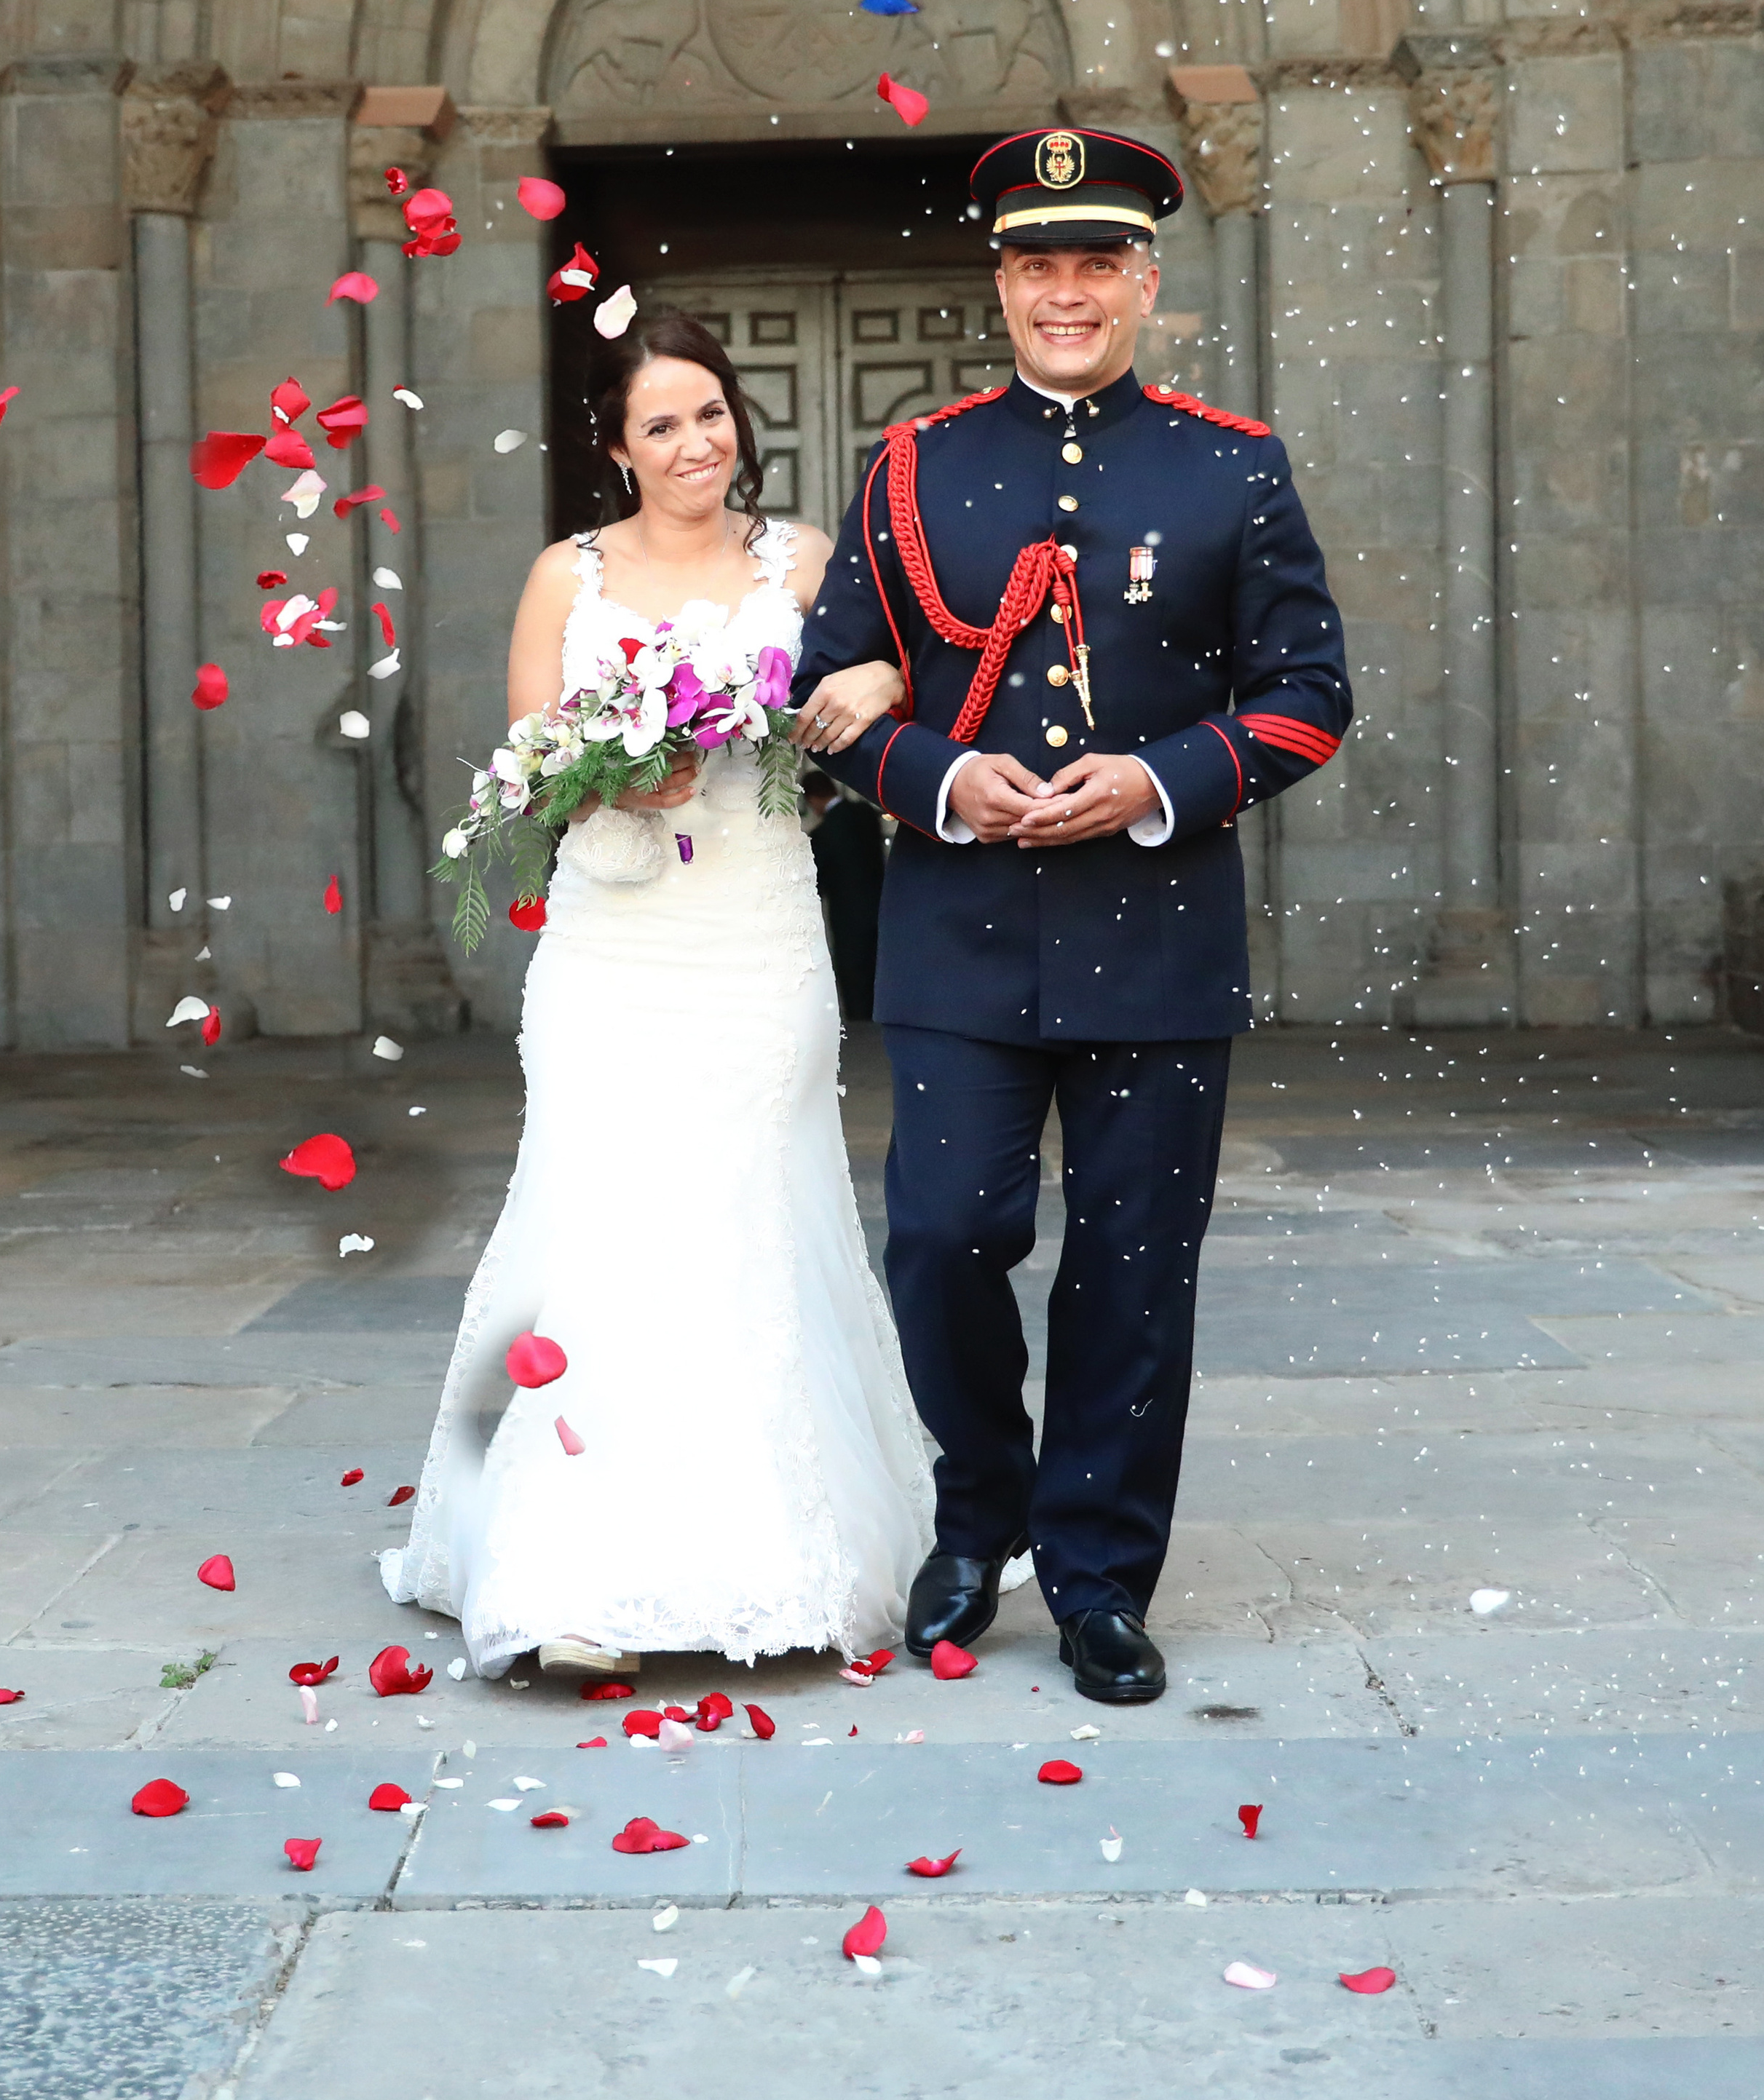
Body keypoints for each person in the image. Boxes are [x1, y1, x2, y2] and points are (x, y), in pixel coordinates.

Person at [794, 125, 1352, 1705]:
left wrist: (1160, 778)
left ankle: (1099, 1576)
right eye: (1038, 264)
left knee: (1133, 1268)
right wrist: (940, 779)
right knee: (944, 1236)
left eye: (1096, 263)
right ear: (1000, 283)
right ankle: (976, 1522)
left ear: (1144, 282)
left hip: (1157, 932)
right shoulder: (914, 467)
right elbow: (820, 697)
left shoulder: (1231, 466)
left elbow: (1310, 695)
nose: (1066, 292)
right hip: (958, 930)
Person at [383, 309, 932, 1677]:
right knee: (598, 1231)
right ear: (617, 448)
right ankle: (567, 1575)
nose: (696, 444)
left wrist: (873, 674)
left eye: (711, 414)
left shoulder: (802, 559)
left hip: (756, 939)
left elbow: (884, 691)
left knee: (751, 1222)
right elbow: (525, 777)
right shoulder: (565, 578)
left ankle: (768, 1555)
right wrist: (612, 776)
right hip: (612, 954)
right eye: (662, 425)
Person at [801, 769, 887, 1021]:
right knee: (880, 968)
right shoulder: (865, 813)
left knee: (854, 975)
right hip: (881, 905)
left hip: (847, 915)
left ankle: (861, 1026)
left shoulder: (822, 834)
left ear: (812, 799)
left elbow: (819, 882)